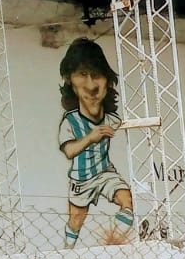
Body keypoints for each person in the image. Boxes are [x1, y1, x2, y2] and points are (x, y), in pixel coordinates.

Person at [57, 38, 133, 248]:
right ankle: (67, 254)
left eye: (97, 75)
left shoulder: (112, 119)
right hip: (81, 180)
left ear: (107, 81)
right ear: (70, 81)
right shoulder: (70, 121)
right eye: (82, 74)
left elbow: (127, 124)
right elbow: (69, 151)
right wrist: (90, 137)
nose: (91, 85)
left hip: (105, 173)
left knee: (126, 200)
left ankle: (114, 244)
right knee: (75, 223)